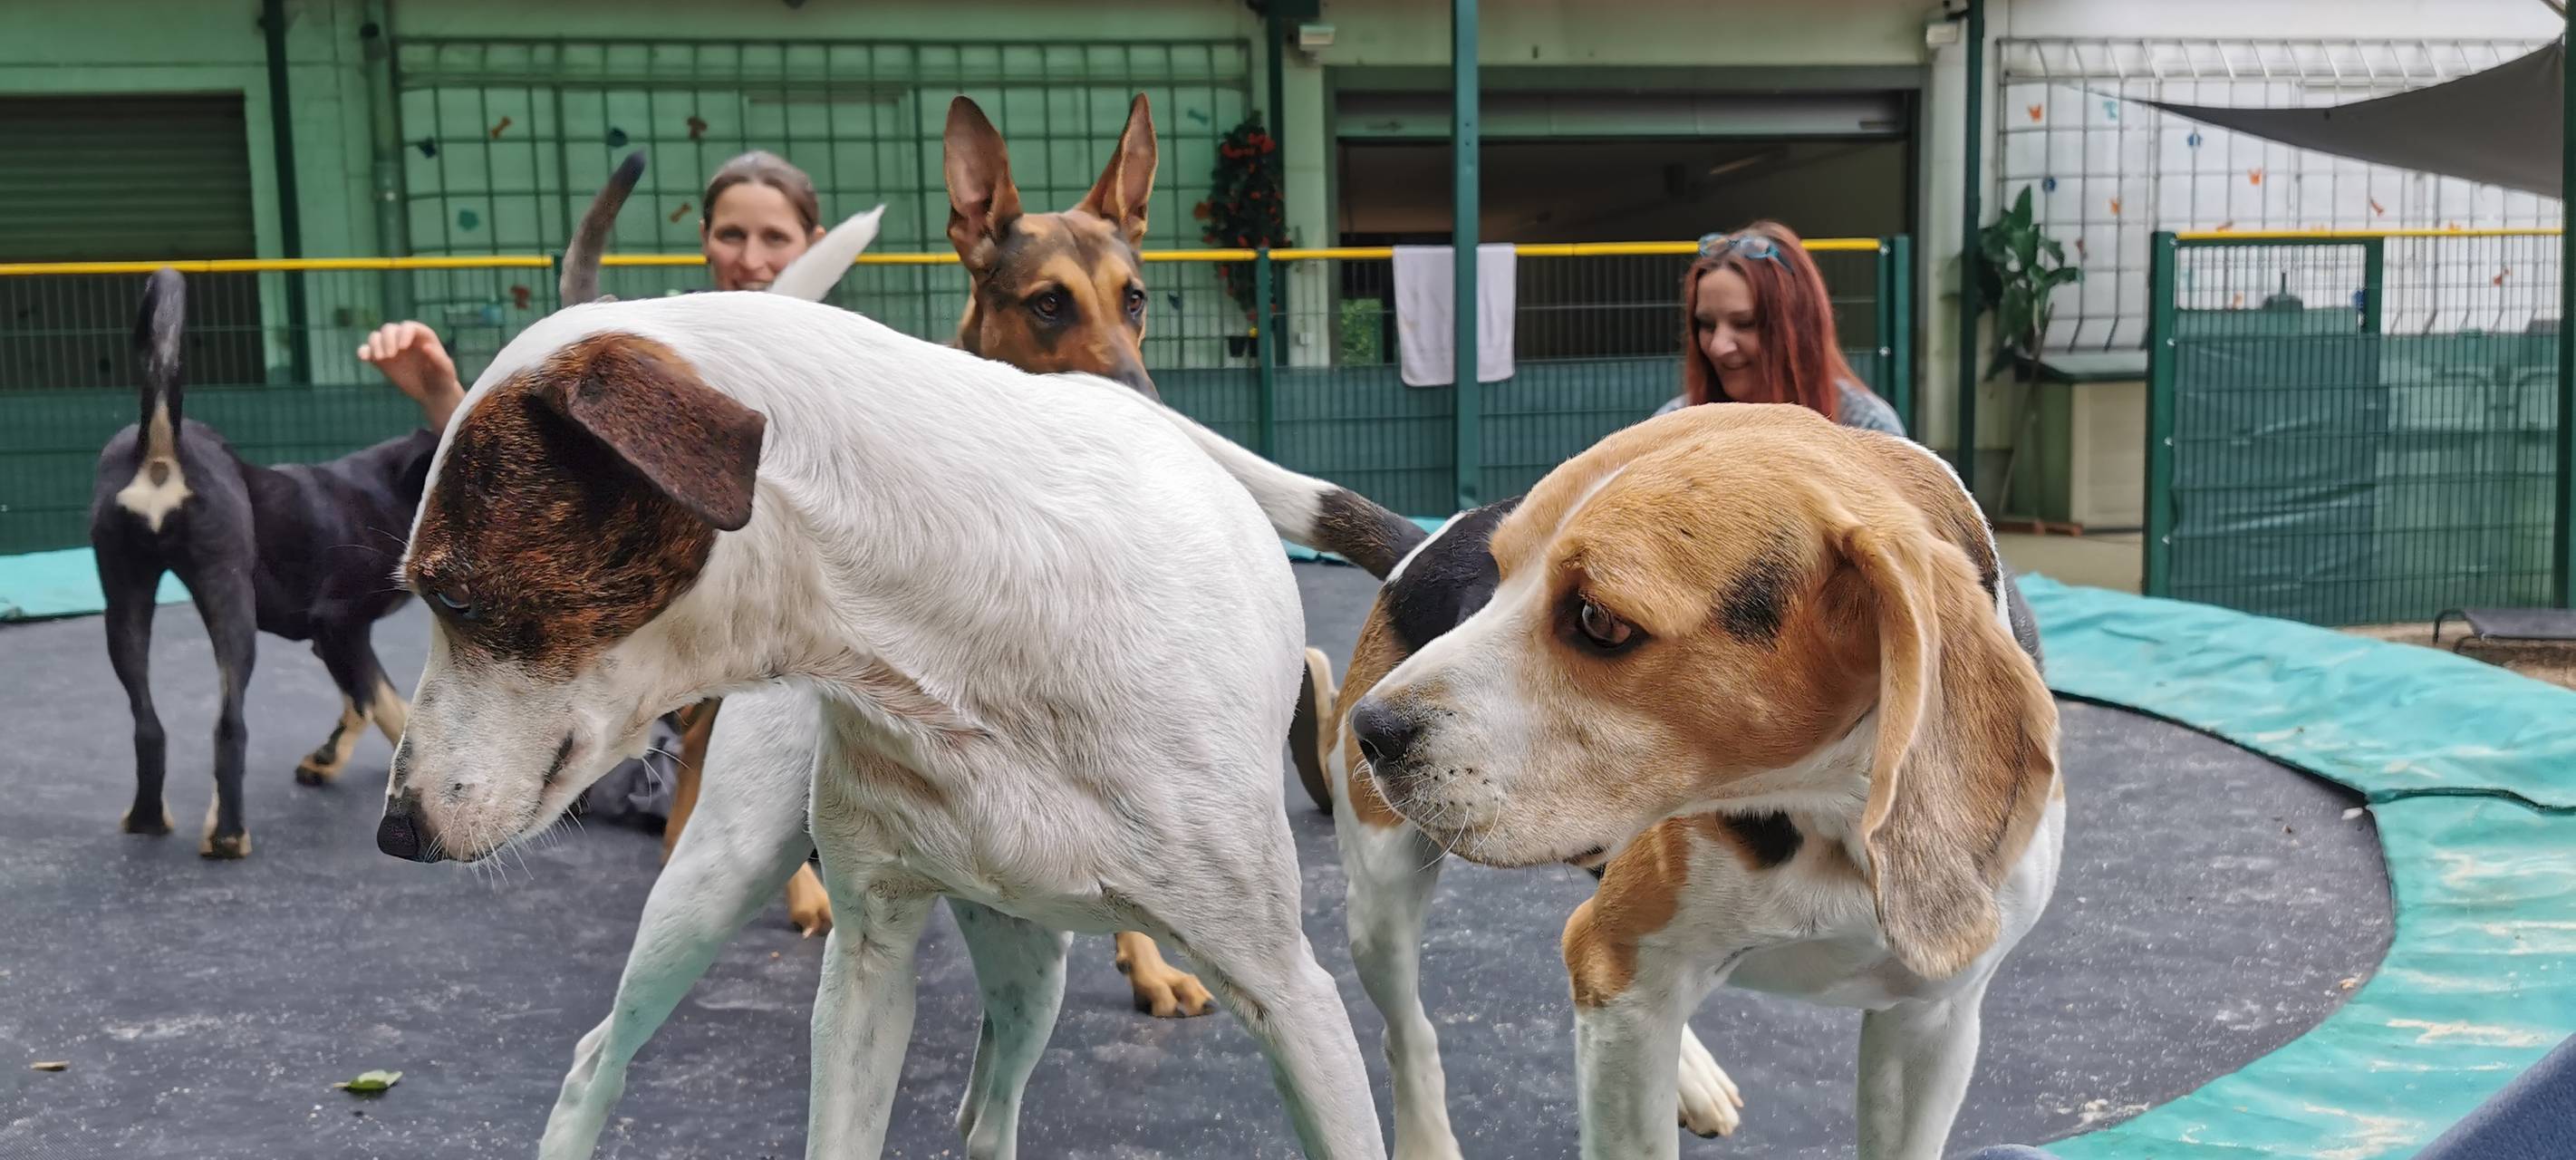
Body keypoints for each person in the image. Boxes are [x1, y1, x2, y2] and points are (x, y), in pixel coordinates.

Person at [357, 150, 830, 828]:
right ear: (703, 238)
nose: (751, 258)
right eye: (731, 235)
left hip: (793, 673)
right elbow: (534, 495)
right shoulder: (647, 361)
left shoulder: (841, 381)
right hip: (675, 690)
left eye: (775, 239)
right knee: (635, 782)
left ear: (815, 246)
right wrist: (444, 397)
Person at [1655, 220, 1908, 436]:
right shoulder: (1671, 428)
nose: (1719, 346)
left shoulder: (1865, 429)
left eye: (1745, 324)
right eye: (1707, 325)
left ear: (1799, 329)